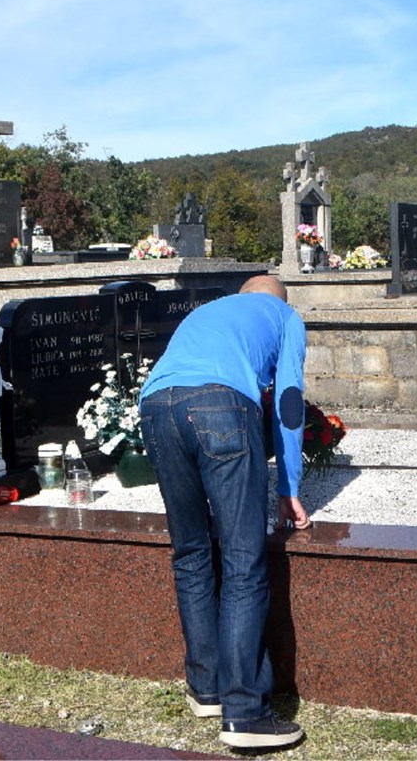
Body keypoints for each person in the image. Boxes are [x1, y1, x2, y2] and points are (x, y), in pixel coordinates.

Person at [138, 274, 310, 751]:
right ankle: (246, 712)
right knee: (242, 561)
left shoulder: (206, 311)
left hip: (155, 409)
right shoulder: (284, 315)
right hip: (221, 406)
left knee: (190, 552)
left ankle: (206, 687)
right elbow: (290, 401)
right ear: (278, 299)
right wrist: (289, 487)